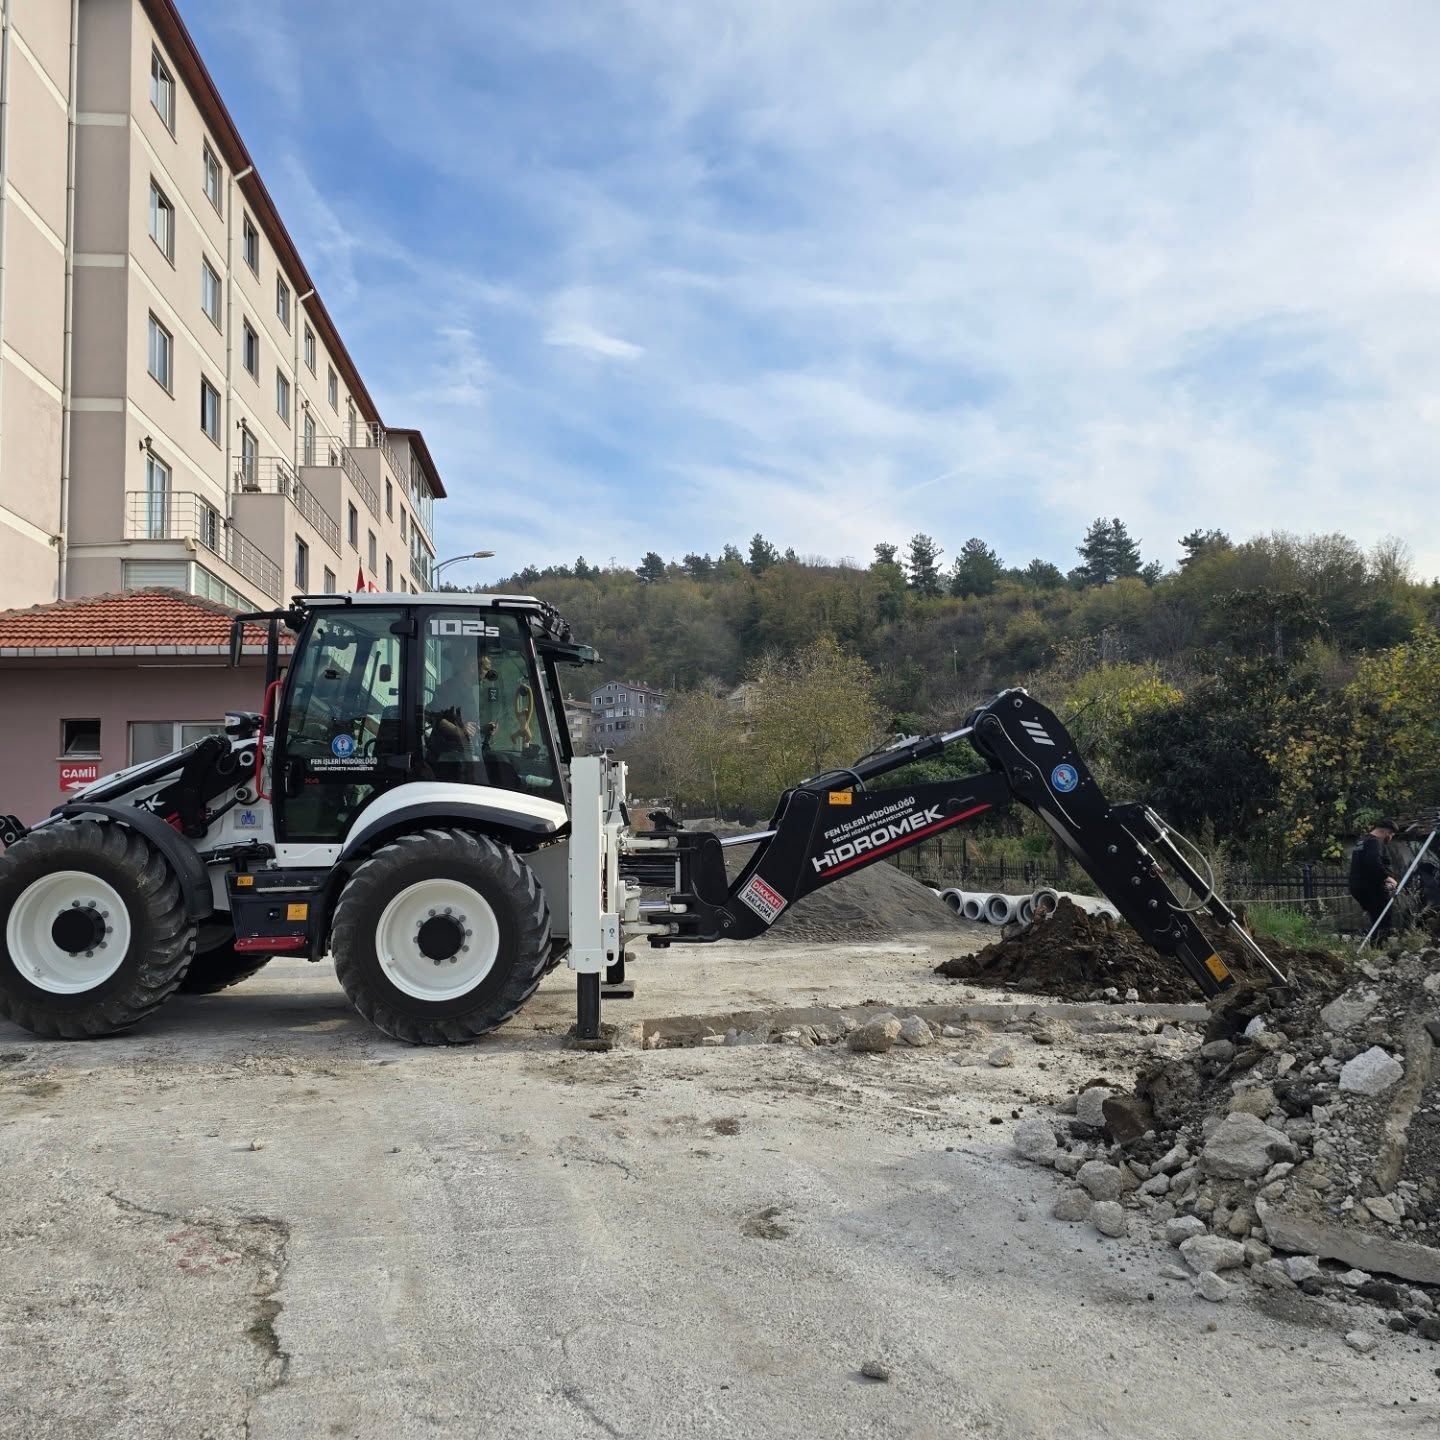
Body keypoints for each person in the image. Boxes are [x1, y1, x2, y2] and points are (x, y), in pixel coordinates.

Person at [426, 645, 499, 764]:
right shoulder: (452, 687)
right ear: (473, 667)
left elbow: (465, 726)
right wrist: (459, 731)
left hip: (462, 758)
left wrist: (484, 729)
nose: (488, 674)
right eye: (486, 669)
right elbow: (431, 715)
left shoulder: (468, 691)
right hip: (446, 761)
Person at [1349, 818, 1399, 938]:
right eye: (1391, 835)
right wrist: (1387, 878)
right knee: (1384, 917)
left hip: (1358, 886)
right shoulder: (1374, 843)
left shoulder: (1362, 841)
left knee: (1376, 916)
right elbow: (1373, 863)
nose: (1391, 838)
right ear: (1387, 832)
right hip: (1371, 887)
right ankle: (1378, 946)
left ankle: (1375, 944)